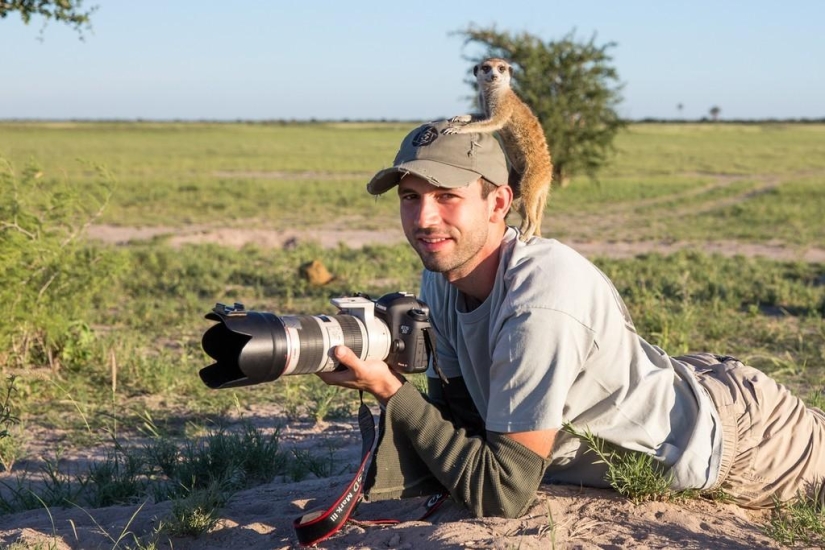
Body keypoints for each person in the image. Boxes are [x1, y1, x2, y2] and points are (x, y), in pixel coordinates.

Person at [318, 119, 825, 518]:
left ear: (498, 202)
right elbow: (467, 421)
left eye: (446, 196)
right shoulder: (443, 275)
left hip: (743, 443)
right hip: (679, 382)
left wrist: (391, 391)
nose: (425, 218)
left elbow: (502, 493)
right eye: (410, 197)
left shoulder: (541, 299)